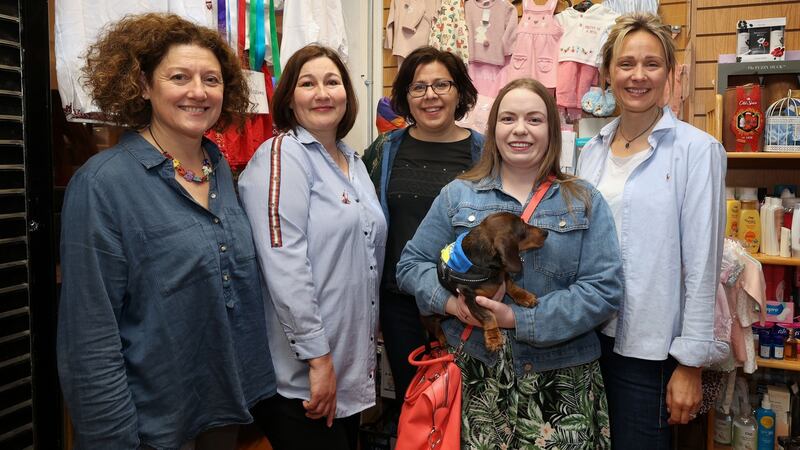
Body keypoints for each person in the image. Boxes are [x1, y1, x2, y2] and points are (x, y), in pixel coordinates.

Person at [57, 13, 276, 450]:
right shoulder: (103, 185)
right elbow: (90, 338)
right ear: (143, 85)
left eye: (211, 79)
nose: (198, 91)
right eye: (179, 76)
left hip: (221, 412)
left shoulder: (220, 172)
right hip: (149, 428)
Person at [397, 78, 623, 449]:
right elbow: (411, 266)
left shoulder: (582, 200)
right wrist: (453, 305)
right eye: (508, 119)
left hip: (562, 385)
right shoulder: (458, 195)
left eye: (534, 120)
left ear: (552, 130)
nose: (520, 129)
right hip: (475, 380)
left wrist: (516, 318)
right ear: (493, 129)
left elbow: (603, 291)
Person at [577, 13, 728, 449]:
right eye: (625, 64)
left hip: (653, 353)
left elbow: (702, 265)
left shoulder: (697, 152)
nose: (637, 76)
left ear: (670, 73)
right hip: (587, 342)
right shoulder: (592, 153)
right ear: (607, 73)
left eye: (651, 64)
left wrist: (691, 364)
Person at [239, 45, 387, 450]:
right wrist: (318, 360)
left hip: (348, 366)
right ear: (288, 97)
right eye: (308, 83)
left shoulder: (353, 163)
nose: (322, 92)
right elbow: (284, 264)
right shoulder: (282, 155)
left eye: (332, 82)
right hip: (303, 375)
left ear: (347, 94)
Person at [361, 46, 483, 401]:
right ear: (406, 97)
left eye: (442, 85)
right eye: (418, 87)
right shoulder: (384, 150)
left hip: (466, 305)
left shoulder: (485, 153)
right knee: (415, 405)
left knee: (468, 406)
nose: (430, 95)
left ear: (459, 92)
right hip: (401, 304)